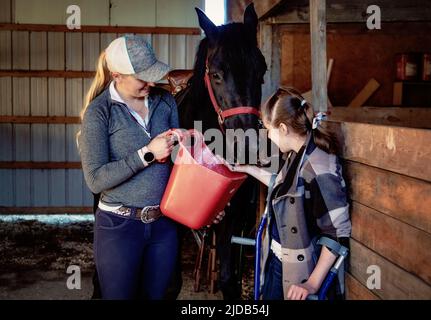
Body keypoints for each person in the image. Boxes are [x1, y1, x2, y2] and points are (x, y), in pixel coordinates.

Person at [78, 35, 224, 299]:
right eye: (141, 78)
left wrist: (204, 205)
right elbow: (96, 180)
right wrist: (146, 153)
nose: (150, 83)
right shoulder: (99, 113)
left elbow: (178, 170)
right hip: (119, 226)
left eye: (152, 75)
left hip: (163, 225)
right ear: (116, 75)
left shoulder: (164, 102)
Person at [222, 87, 351, 300]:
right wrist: (247, 169)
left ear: (282, 128)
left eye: (268, 130)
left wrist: (311, 284)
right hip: (277, 260)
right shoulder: (296, 156)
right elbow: (282, 188)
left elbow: (336, 232)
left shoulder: (320, 168)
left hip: (299, 272)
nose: (268, 137)